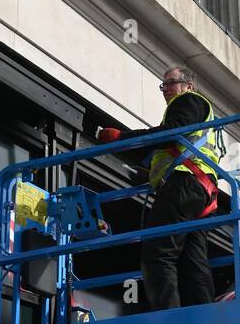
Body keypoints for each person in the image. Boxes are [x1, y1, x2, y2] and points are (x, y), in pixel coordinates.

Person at [91, 68, 222, 311]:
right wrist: (146, 174)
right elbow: (174, 145)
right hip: (200, 191)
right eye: (163, 85)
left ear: (189, 86)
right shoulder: (200, 115)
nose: (167, 89)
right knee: (193, 261)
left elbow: (170, 134)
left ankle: (168, 320)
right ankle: (207, 319)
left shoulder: (188, 102)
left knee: (157, 254)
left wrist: (122, 137)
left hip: (185, 186)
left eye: (172, 83)